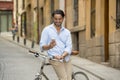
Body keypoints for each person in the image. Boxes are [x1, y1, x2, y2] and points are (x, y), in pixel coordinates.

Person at [40, 9, 72, 80]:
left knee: (69, 78)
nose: (57, 21)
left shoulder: (67, 32)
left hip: (66, 58)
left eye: (60, 19)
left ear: (63, 19)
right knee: (64, 78)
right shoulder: (47, 30)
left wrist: (62, 55)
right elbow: (42, 46)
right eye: (55, 19)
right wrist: (49, 46)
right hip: (54, 58)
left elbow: (69, 46)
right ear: (52, 18)